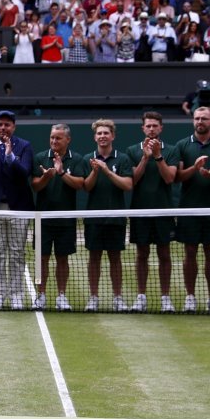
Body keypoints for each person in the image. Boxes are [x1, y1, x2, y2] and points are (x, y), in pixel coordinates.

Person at [0, 110, 35, 310]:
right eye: (0, 124)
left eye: (7, 124)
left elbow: (24, 173)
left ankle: (17, 295)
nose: (3, 128)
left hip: (18, 206)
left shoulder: (24, 146)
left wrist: (10, 155)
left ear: (13, 127)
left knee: (17, 253)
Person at [126, 112, 178, 313]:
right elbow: (133, 180)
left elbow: (169, 178)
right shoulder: (132, 151)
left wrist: (157, 156)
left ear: (161, 128)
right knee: (142, 254)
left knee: (164, 254)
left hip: (163, 211)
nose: (151, 129)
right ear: (143, 129)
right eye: (148, 126)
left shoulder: (171, 151)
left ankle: (166, 298)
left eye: (155, 126)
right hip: (140, 211)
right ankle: (141, 297)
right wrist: (145, 159)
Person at [31, 124, 85, 311]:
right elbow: (35, 186)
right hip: (42, 218)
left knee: (63, 259)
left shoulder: (76, 159)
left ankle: (61, 296)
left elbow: (80, 184)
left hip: (66, 218)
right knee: (41, 259)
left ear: (67, 140)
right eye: (52, 137)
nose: (54, 141)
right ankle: (41, 295)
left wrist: (61, 172)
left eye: (58, 138)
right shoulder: (39, 157)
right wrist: (46, 177)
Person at [82, 119, 133, 312]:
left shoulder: (123, 159)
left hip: (116, 217)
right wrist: (96, 171)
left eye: (106, 133)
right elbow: (86, 187)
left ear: (113, 136)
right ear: (95, 137)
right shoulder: (89, 158)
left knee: (115, 258)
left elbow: (127, 185)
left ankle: (118, 298)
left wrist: (106, 171)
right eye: (99, 133)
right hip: (94, 217)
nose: (103, 136)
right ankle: (93, 297)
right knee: (94, 257)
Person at [175, 106, 210, 313]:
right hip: (189, 209)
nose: (200, 122)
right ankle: (190, 296)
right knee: (190, 253)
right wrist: (194, 169)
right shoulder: (182, 145)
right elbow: (177, 177)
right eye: (197, 118)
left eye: (204, 118)